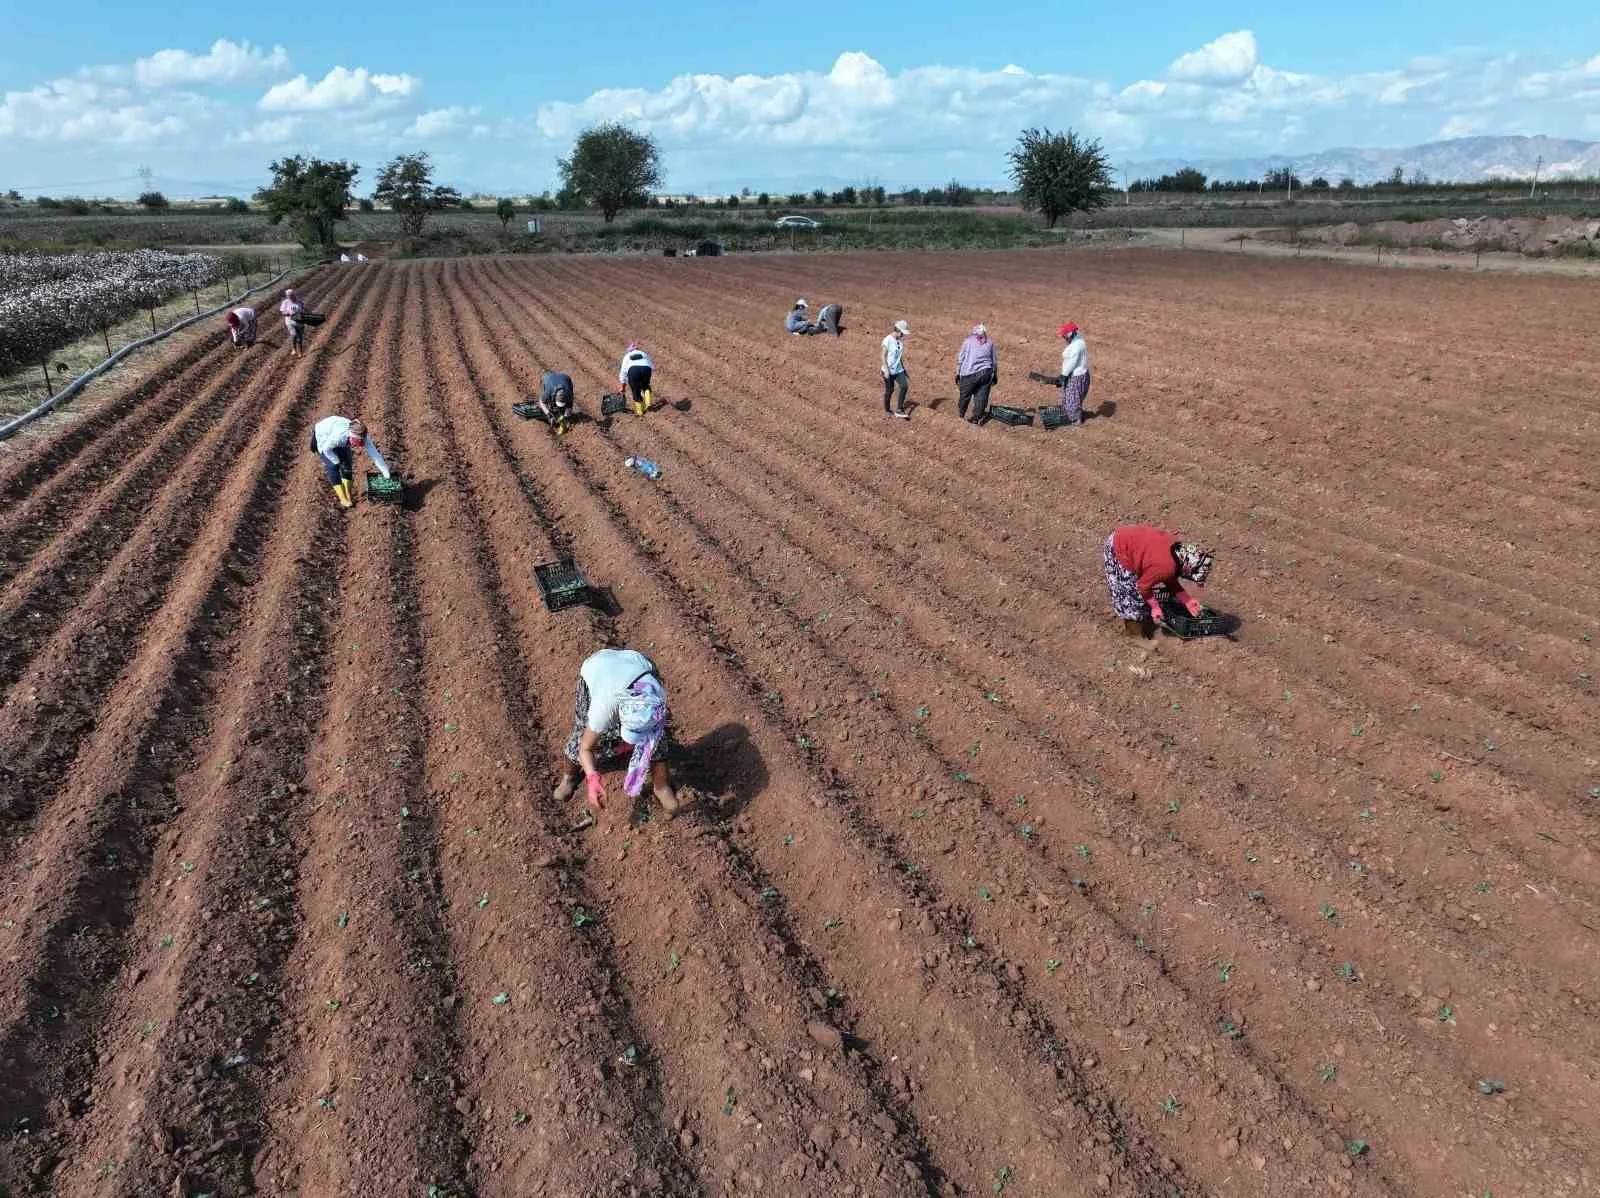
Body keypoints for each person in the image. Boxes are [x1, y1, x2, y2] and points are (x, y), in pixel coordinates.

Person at [552, 647, 681, 821]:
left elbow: (659, 725)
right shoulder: (603, 709)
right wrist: (592, 778)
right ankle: (569, 777)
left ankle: (662, 786)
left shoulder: (655, 696)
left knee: (655, 739)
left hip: (638, 664)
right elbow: (586, 748)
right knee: (583, 732)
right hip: (597, 666)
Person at [1103, 525, 1214, 637]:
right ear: (1188, 568)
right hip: (1119, 547)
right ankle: (1134, 635)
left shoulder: (1177, 551)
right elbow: (1143, 586)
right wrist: (1155, 607)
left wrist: (1187, 601)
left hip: (1130, 539)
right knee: (1131, 597)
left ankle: (1145, 624)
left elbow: (1168, 576)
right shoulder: (1166, 566)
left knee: (1143, 597)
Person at [310, 415, 392, 510]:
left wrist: (386, 473)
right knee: (333, 466)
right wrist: (335, 460)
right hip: (323, 437)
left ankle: (348, 494)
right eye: (356, 443)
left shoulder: (364, 436)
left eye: (360, 443)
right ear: (351, 437)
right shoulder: (338, 436)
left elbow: (375, 455)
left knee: (347, 463)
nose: (357, 446)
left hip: (338, 433)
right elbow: (326, 449)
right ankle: (343, 498)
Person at [955, 323, 998, 423]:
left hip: (969, 373)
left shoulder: (968, 341)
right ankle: (976, 418)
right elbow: (994, 360)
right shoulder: (990, 342)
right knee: (981, 396)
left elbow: (961, 358)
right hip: (986, 372)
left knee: (965, 395)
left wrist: (958, 372)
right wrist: (995, 374)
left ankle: (961, 415)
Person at [1058, 322, 1091, 426]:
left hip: (1077, 376)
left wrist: (1063, 375)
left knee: (1073, 397)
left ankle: (1075, 419)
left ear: (1069, 334)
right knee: (1069, 396)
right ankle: (1069, 414)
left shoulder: (1077, 346)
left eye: (1064, 335)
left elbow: (1072, 362)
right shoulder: (1077, 341)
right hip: (1075, 374)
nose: (1063, 338)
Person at [881, 319, 911, 419]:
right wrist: (886, 370)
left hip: (898, 370)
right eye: (902, 333)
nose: (903, 335)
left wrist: (904, 370)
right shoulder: (888, 340)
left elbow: (899, 358)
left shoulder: (900, 342)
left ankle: (899, 409)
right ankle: (887, 410)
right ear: (898, 330)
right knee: (890, 390)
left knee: (904, 386)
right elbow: (882, 356)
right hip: (888, 371)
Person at [619, 342, 655, 416]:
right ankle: (648, 403)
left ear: (629, 351)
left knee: (635, 390)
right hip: (646, 369)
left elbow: (623, 372)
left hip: (633, 370)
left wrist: (623, 387)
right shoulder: (643, 353)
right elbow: (652, 366)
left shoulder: (627, 356)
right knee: (645, 386)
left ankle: (640, 412)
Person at [280, 288, 306, 357]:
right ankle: (294, 349)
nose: (291, 297)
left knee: (300, 338)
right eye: (289, 296)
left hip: (300, 322)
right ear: (287, 296)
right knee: (294, 335)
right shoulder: (285, 302)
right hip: (290, 322)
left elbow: (304, 309)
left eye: (292, 295)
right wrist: (288, 313)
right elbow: (283, 312)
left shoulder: (299, 302)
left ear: (294, 294)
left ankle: (300, 352)